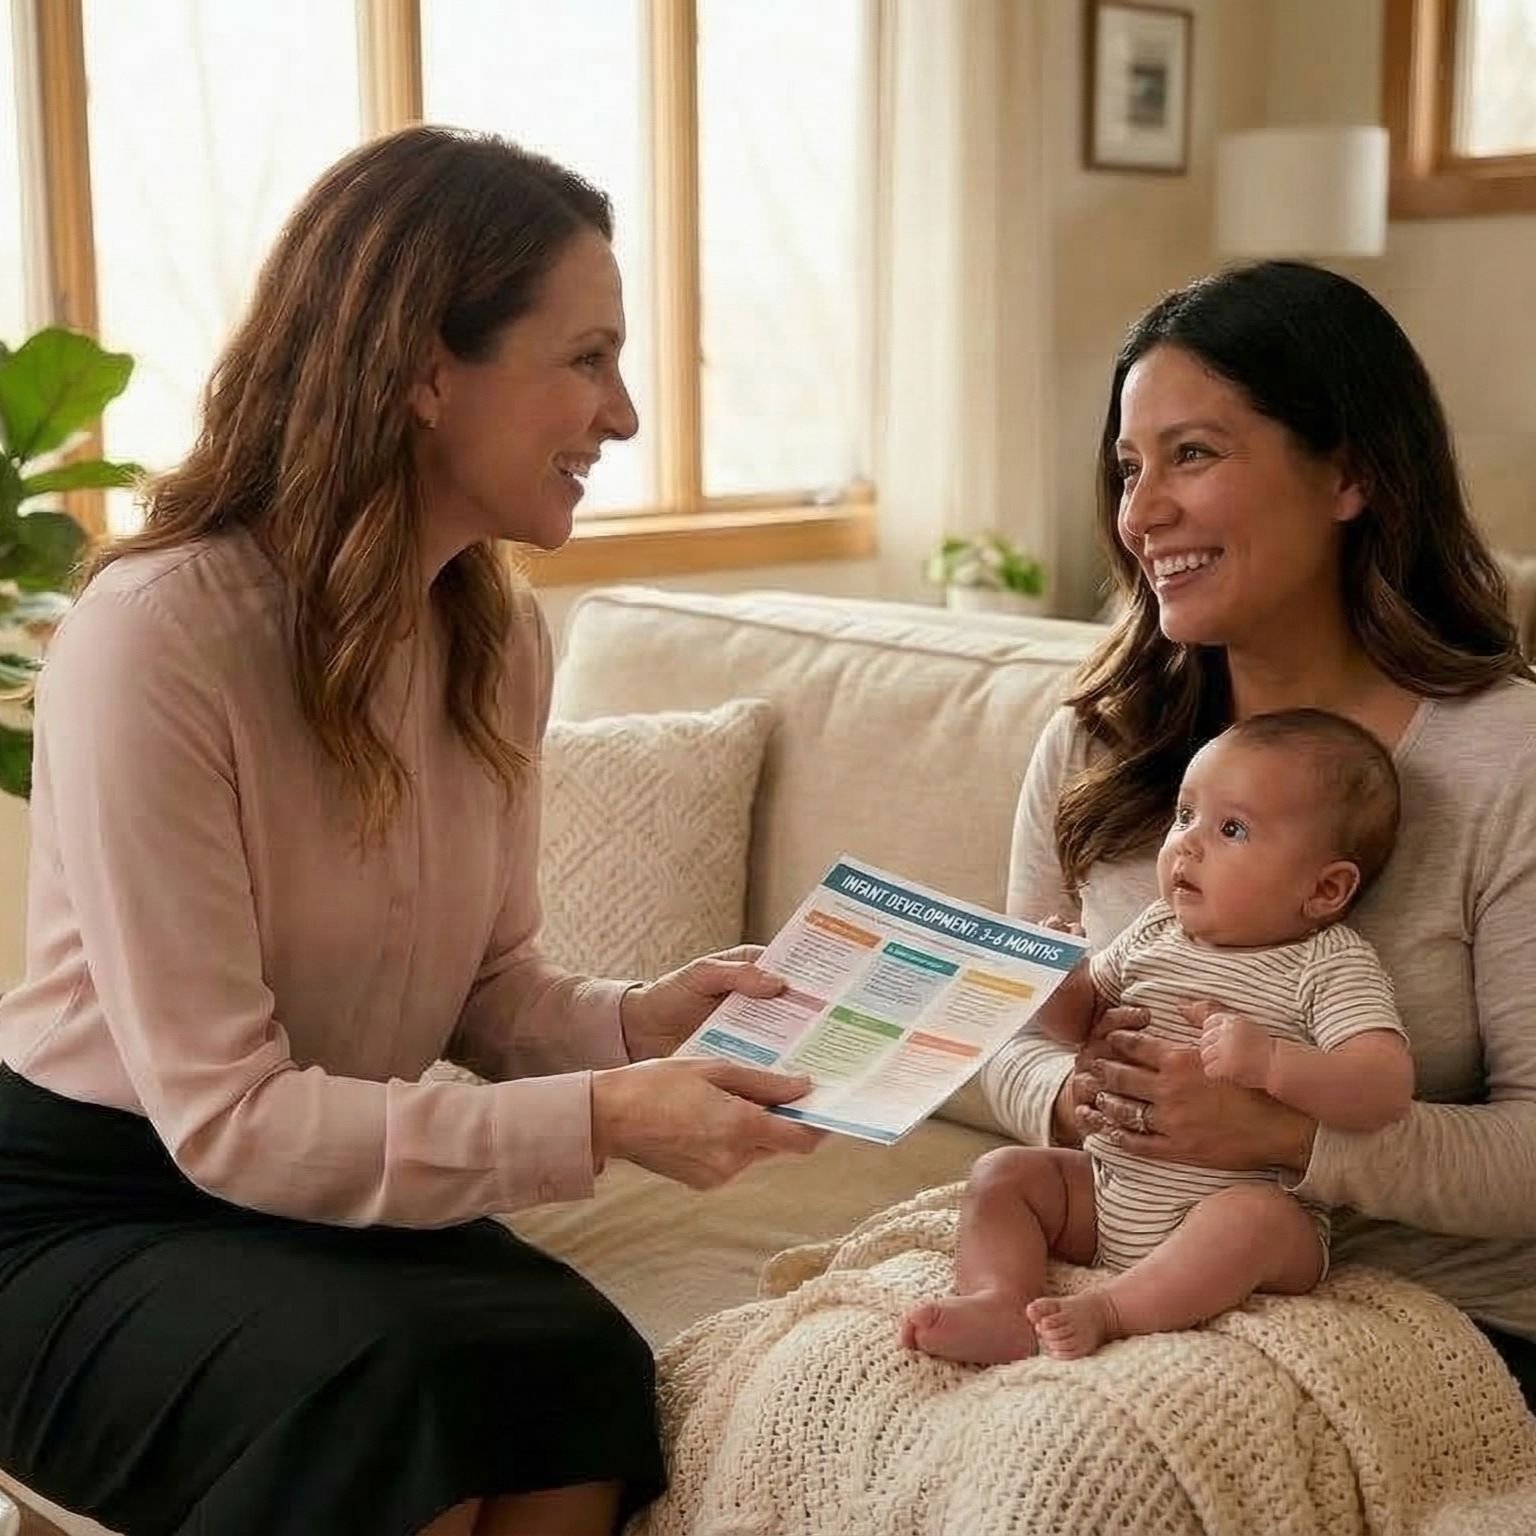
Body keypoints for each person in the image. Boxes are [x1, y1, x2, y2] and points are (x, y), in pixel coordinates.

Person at [0, 126, 823, 1536]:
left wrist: (644, 1026)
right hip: (89, 1206)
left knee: (580, 1382)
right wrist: (604, 1117)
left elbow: (490, 994)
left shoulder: (494, 640)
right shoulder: (159, 639)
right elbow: (228, 1121)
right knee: (398, 1404)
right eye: (586, 356)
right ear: (424, 368)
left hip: (317, 1185)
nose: (621, 416)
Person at [977, 259, 1536, 1409]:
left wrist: (1284, 1138)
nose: (1142, 512)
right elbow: (1000, 1036)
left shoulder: (1509, 761)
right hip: (1112, 1274)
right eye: (1130, 468)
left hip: (1435, 1324)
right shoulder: (1099, 748)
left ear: (1351, 474)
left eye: (1194, 453)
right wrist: (1074, 1097)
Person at [904, 709, 1413, 1364]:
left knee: (1256, 1221)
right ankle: (1001, 1300)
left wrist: (1271, 1063)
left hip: (1238, 1208)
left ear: (1325, 888)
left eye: (1231, 829)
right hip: (1112, 1187)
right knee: (1004, 1174)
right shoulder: (1153, 932)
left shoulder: (1329, 964)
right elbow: (1081, 1023)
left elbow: (1383, 1087)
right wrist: (1059, 981)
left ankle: (1111, 1310)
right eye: (1184, 817)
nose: (1187, 845)